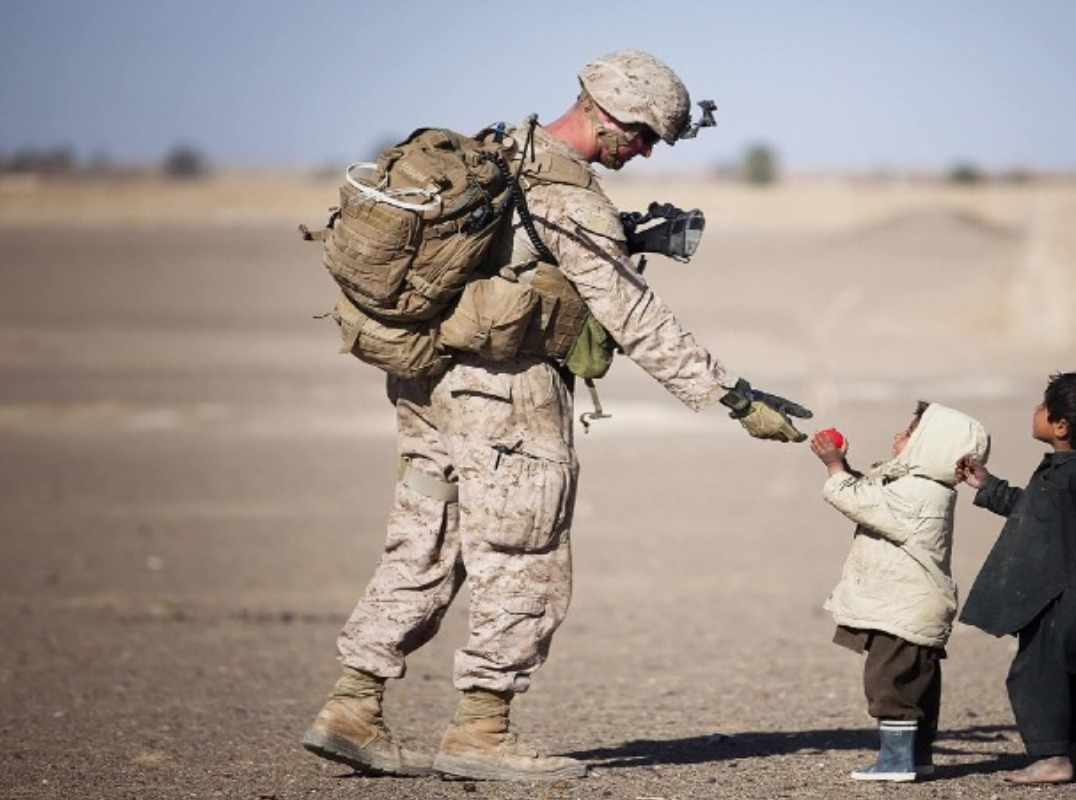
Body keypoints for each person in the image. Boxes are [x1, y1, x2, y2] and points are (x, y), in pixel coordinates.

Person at [300, 49, 812, 783]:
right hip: (505, 397)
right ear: (606, 117)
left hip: (426, 385)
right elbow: (632, 316)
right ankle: (482, 730)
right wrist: (733, 397)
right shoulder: (569, 194)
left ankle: (352, 706)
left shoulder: (503, 152)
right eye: (641, 137)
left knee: (426, 538)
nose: (643, 153)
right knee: (523, 554)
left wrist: (620, 237)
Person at [956, 372, 1076, 785]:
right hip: (1052, 594)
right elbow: (1033, 514)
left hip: (1066, 596)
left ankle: (1052, 758)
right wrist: (987, 485)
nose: (1036, 410)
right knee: (1066, 670)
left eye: (1044, 405)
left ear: (1061, 426)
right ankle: (1069, 756)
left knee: (1038, 673)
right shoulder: (1060, 469)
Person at [808, 403, 991, 782]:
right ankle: (917, 756)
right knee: (917, 685)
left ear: (931, 446)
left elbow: (859, 500)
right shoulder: (920, 488)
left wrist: (833, 467)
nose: (898, 437)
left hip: (903, 610)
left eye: (909, 433)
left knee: (890, 684)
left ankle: (896, 761)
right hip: (911, 606)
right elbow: (874, 492)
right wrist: (845, 465)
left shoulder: (919, 493)